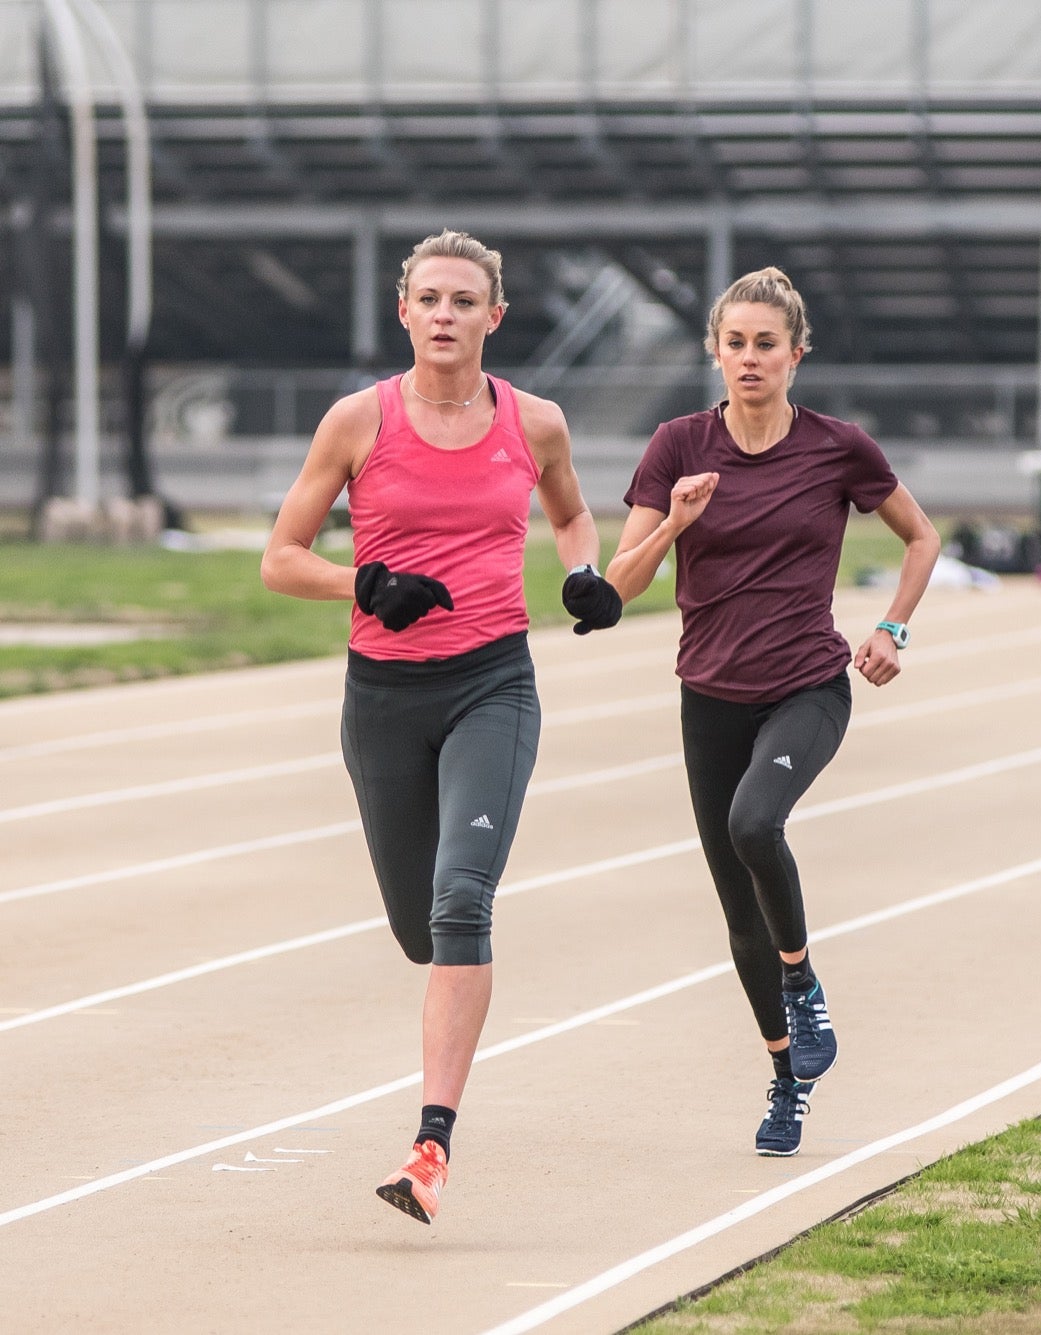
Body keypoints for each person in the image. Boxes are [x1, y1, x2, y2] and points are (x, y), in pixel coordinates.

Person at [260, 230, 623, 1225]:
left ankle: (430, 1144)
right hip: (381, 697)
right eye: (430, 298)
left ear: (493, 318)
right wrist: (364, 583)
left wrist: (583, 575)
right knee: (418, 928)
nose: (446, 315)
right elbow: (279, 559)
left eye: (465, 301)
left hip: (490, 686)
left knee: (463, 900)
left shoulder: (534, 423)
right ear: (405, 310)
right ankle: (439, 1031)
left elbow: (571, 517)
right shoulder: (357, 422)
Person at [606, 267, 940, 1158]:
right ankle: (787, 1078)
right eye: (735, 343)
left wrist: (892, 627)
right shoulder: (678, 445)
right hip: (707, 694)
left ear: (796, 354)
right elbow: (618, 583)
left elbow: (921, 535)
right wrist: (674, 522)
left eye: (767, 344)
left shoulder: (837, 446)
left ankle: (803, 978)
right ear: (715, 352)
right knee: (736, 911)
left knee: (756, 824)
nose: (750, 358)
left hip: (806, 685)